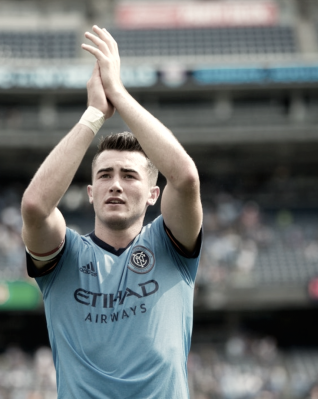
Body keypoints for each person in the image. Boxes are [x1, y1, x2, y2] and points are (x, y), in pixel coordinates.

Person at [21, 26, 202, 398]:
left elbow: (184, 178)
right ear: (90, 193)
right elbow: (36, 208)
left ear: (154, 194)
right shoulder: (65, 257)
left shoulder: (170, 246)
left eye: (129, 175)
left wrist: (117, 92)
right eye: (104, 174)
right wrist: (93, 115)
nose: (115, 184)